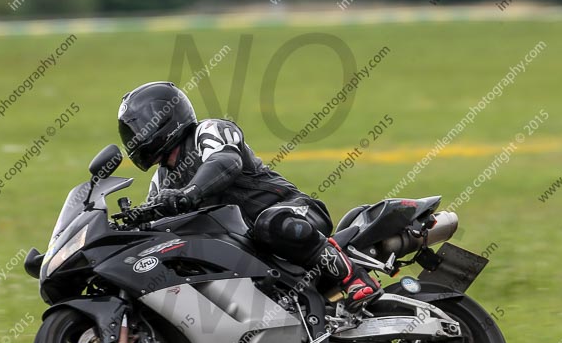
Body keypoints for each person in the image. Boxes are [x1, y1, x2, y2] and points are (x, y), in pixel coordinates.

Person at [117, 81, 381, 311]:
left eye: (139, 127)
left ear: (164, 117)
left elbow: (225, 162)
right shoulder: (161, 180)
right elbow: (156, 221)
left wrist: (189, 194)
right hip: (250, 249)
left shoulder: (208, 131)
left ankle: (355, 278)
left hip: (295, 212)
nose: (135, 138)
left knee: (271, 223)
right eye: (130, 132)